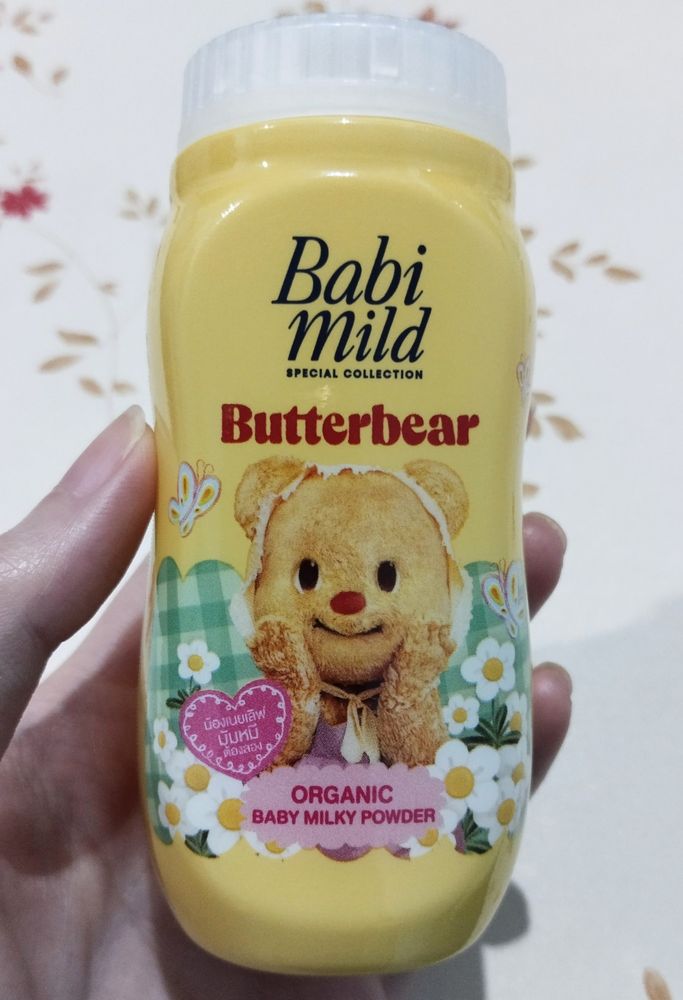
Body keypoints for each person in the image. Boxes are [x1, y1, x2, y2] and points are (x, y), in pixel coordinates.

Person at [0, 406, 571, 997]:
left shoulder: (414, 674)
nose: (348, 602)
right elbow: (285, 744)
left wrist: (408, 687)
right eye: (306, 574)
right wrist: (296, 688)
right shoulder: (282, 686)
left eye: (387, 576)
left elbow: (421, 748)